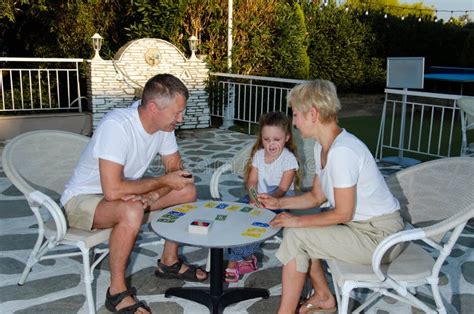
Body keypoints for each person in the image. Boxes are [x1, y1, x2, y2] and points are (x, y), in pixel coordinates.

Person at [60, 73, 207, 314]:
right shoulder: (117, 126)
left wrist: (153, 195)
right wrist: (159, 184)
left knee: (187, 190)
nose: (180, 119)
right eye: (176, 113)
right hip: (82, 200)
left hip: (122, 196)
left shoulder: (164, 126)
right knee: (131, 209)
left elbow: (176, 173)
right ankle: (116, 291)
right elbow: (113, 190)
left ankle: (169, 262)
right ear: (153, 107)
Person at [259, 80, 404, 313]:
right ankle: (324, 296)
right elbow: (317, 196)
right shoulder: (322, 146)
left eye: (296, 115)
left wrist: (295, 220)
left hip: (381, 237)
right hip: (360, 229)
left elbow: (343, 213)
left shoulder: (343, 151)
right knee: (301, 232)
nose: (294, 122)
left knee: (297, 235)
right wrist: (279, 202)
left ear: (313, 114)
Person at [225, 111, 300, 282]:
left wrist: (267, 202)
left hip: (279, 202)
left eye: (276, 139)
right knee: (234, 216)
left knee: (257, 226)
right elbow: (252, 181)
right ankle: (244, 258)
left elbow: (282, 189)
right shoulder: (259, 155)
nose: (271, 144)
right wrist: (253, 198)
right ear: (262, 138)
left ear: (287, 137)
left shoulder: (288, 160)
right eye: (266, 139)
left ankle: (233, 261)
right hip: (256, 199)